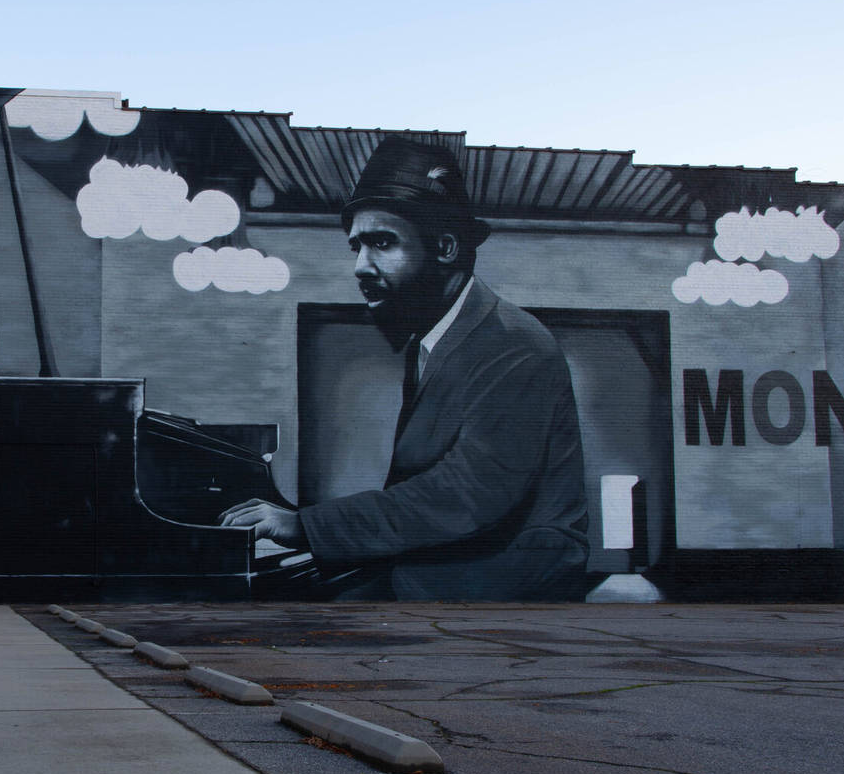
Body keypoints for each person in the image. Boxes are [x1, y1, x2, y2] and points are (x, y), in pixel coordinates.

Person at [218, 136, 592, 600]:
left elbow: (466, 494)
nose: (360, 266)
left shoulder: (513, 344)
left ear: (447, 247)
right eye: (355, 247)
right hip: (453, 560)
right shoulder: (436, 340)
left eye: (381, 243)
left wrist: (306, 526)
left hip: (507, 575)